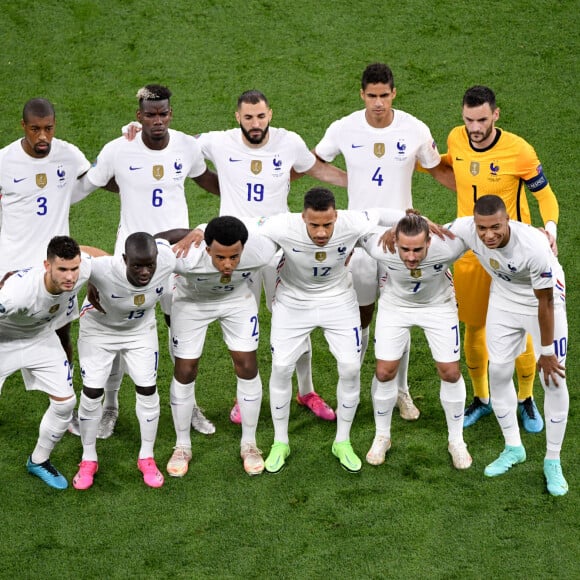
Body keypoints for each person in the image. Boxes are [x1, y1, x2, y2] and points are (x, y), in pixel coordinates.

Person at [195, 90, 349, 425]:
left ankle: (306, 390)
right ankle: (243, 395)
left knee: (298, 315)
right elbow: (178, 143)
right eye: (248, 117)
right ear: (237, 117)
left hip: (280, 247)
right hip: (239, 252)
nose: (255, 123)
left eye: (261, 116)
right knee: (241, 323)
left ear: (270, 115)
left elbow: (316, 170)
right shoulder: (217, 142)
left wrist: (357, 183)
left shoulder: (289, 142)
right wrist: (132, 133)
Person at [75, 84, 219, 439]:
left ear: (171, 113)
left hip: (175, 255)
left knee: (180, 332)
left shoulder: (187, 146)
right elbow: (88, 184)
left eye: (163, 113)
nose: (158, 120)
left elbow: (210, 181)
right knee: (119, 330)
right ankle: (110, 406)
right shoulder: (118, 149)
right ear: (138, 116)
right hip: (130, 258)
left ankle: (189, 403)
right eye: (150, 114)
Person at [313, 63, 455, 421]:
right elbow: (315, 164)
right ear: (362, 94)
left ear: (394, 93)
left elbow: (435, 166)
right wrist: (352, 181)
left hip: (402, 239)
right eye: (371, 96)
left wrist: (475, 191)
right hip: (361, 239)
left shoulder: (415, 128)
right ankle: (355, 387)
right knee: (361, 313)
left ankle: (400, 391)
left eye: (384, 95)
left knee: (400, 313)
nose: (378, 103)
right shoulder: (344, 127)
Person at [255, 187, 405, 474]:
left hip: (338, 300)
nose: (321, 232)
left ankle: (342, 441)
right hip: (293, 302)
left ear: (336, 216)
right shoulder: (282, 224)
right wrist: (200, 232)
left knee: (350, 367)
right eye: (314, 225)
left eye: (327, 224)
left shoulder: (351, 222)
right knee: (281, 368)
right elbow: (245, 224)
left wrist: (408, 220)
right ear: (303, 218)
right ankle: (280, 442)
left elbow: (381, 212)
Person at [442, 85, 559, 431]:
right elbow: (449, 166)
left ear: (496, 114)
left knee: (521, 328)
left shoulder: (519, 151)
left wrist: (549, 229)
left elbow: (546, 196)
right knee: (474, 327)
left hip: (513, 253)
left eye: (481, 119)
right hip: (471, 252)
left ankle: (525, 399)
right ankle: (482, 399)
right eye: (468, 120)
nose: (474, 128)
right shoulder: (456, 138)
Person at [449, 195, 568, 496]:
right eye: (482, 228)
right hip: (503, 297)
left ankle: (552, 460)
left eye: (495, 227)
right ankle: (513, 447)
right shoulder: (467, 229)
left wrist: (547, 352)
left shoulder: (533, 247)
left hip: (541, 301)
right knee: (499, 371)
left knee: (552, 379)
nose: (488, 235)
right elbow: (433, 233)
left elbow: (545, 303)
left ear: (507, 221)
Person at [157, 216, 278, 477]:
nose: (227, 264)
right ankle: (182, 446)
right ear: (207, 248)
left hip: (236, 300)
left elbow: (281, 227)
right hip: (192, 302)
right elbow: (150, 243)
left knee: (247, 364)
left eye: (234, 257)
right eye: (220, 257)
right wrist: (193, 230)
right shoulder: (185, 255)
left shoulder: (261, 249)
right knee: (185, 369)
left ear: (244, 248)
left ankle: (249, 443)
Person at [72, 232, 188, 489]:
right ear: (124, 259)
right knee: (91, 393)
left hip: (139, 332)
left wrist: (199, 231)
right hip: (99, 332)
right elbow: (72, 251)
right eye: (137, 265)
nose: (145, 272)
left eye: (150, 265)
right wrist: (92, 278)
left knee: (147, 390)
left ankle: (146, 457)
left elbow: (174, 235)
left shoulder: (166, 259)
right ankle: (88, 458)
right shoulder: (101, 268)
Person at [361, 211, 471, 469]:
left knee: (451, 373)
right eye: (405, 249)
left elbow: (475, 224)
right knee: (385, 372)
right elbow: (353, 228)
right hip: (395, 306)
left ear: (430, 241)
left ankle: (456, 441)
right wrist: (394, 221)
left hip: (439, 306)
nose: (411, 257)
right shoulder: (380, 245)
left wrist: (547, 233)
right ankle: (382, 436)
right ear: (395, 242)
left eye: (418, 250)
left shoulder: (448, 244)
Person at [0, 98, 91, 364]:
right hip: (11, 265)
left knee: (61, 333)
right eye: (35, 129)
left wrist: (133, 140)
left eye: (48, 129)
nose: (42, 136)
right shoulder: (4, 160)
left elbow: (103, 178)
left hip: (56, 263)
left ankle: (65, 396)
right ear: (23, 126)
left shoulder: (68, 155)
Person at [0, 236, 90, 489]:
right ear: (47, 266)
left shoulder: (80, 270)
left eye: (74, 268)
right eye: (62, 269)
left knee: (66, 403)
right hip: (2, 341)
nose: (70, 277)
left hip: (39, 338)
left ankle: (38, 460)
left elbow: (99, 258)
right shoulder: (17, 295)